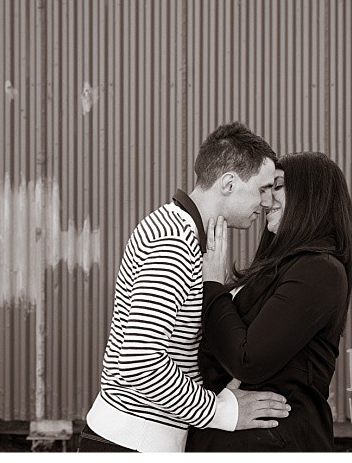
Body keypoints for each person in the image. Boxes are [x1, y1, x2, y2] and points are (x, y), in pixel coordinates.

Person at [79, 122, 292, 452]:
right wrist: (220, 411)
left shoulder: (179, 229)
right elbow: (141, 361)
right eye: (262, 188)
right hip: (132, 444)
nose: (266, 202)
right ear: (229, 183)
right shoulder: (174, 240)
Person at [185, 151, 352, 451]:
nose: (265, 200)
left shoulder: (320, 270)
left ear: (310, 196)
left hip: (276, 442)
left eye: (277, 187)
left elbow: (247, 359)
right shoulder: (281, 269)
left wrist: (213, 286)